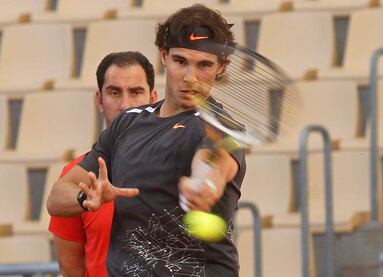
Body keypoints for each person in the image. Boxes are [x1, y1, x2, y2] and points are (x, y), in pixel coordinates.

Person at [47, 4, 246, 277]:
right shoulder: (127, 122)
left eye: (204, 65)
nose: (190, 77)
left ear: (220, 67)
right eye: (180, 61)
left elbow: (215, 162)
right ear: (164, 56)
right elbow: (57, 198)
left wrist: (205, 183)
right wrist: (86, 196)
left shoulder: (220, 126)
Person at [47, 51, 158, 277]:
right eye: (114, 92)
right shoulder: (76, 176)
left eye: (136, 92)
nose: (125, 105)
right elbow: (71, 271)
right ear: (99, 100)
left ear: (153, 99)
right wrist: (86, 199)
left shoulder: (177, 163)